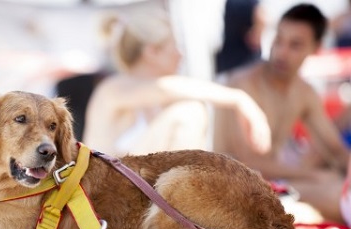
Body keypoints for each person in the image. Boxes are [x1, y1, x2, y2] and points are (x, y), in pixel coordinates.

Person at [213, 3, 350, 224]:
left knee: (337, 183)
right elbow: (247, 162)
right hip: (233, 188)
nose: (281, 52)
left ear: (315, 48)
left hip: (275, 185)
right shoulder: (244, 84)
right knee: (335, 192)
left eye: (295, 45)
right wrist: (313, 175)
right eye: (278, 40)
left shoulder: (303, 92)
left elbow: (334, 150)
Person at [82, 9, 271, 157]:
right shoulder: (113, 89)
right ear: (152, 52)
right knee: (190, 112)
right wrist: (239, 99)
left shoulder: (158, 99)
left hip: (138, 194)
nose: (180, 55)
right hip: (107, 199)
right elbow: (165, 88)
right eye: (174, 47)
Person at [214, 0, 266, 77]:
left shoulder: (247, 2)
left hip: (243, 62)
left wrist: (255, 35)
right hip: (235, 60)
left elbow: (262, 18)